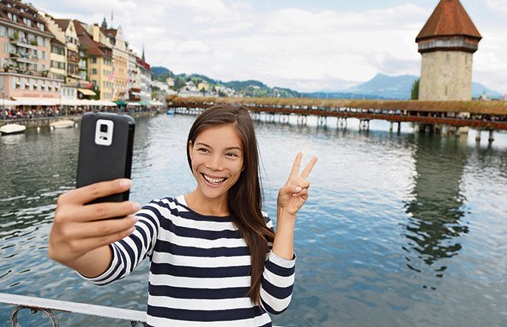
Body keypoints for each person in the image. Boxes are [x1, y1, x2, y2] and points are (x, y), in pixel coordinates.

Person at [48, 104, 318, 326]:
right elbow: (112, 264)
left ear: (245, 161)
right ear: (190, 149)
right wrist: (77, 252)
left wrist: (286, 215)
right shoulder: (162, 215)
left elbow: (276, 302)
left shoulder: (257, 222)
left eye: (231, 154)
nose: (214, 165)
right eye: (204, 150)